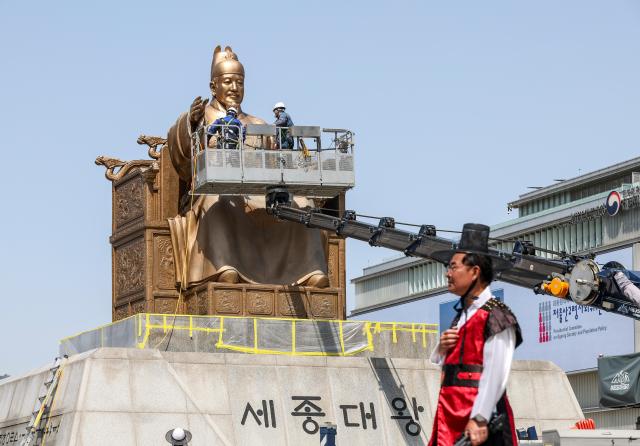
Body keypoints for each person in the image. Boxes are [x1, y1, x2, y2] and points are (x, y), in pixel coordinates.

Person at [165, 45, 329, 287]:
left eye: (239, 83)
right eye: (228, 81)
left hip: (257, 193)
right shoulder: (203, 118)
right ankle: (223, 268)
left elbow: (276, 162)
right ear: (214, 86)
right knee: (217, 203)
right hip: (216, 191)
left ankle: (308, 271)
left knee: (301, 204)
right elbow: (180, 152)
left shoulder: (257, 122)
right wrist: (189, 121)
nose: (234, 88)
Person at [429, 223, 522, 446]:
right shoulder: (462, 315)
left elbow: (496, 371)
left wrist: (480, 417)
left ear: (474, 272)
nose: (448, 274)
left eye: (453, 267)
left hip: (478, 415)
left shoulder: (497, 314)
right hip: (451, 414)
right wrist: (440, 349)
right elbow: (445, 366)